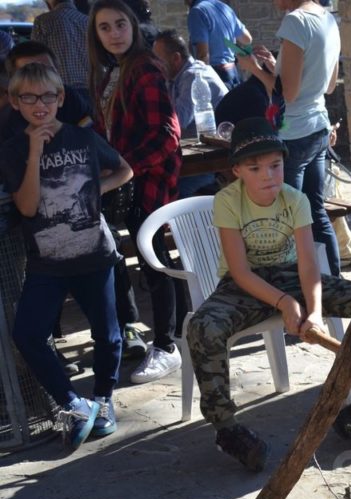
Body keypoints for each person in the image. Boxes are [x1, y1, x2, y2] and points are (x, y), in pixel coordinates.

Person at [187, 117, 351, 470]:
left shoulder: (295, 199)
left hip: (291, 277)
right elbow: (239, 271)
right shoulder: (227, 200)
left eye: (275, 165)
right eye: (255, 168)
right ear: (237, 170)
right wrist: (286, 304)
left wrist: (313, 310)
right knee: (203, 327)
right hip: (244, 284)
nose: (268, 175)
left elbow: (308, 265)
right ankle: (227, 429)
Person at [0, 62, 133, 450]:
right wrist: (36, 149)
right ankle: (72, 402)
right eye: (28, 97)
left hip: (95, 253)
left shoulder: (84, 138)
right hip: (47, 262)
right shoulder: (12, 149)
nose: (39, 104)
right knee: (27, 333)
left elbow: (124, 170)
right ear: (15, 102)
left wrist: (96, 191)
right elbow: (26, 207)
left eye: (46, 96)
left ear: (60, 98)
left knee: (107, 335)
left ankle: (104, 400)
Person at [87, 0, 183, 384]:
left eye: (120, 25)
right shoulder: (109, 70)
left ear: (133, 26)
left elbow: (167, 136)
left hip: (148, 184)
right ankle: (134, 330)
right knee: (116, 255)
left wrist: (124, 168)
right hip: (123, 184)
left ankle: (167, 345)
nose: (113, 34)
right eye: (104, 27)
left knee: (155, 262)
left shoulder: (144, 67)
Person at [238, 0, 343, 275]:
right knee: (316, 214)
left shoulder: (295, 21)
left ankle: (297, 295)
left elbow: (289, 95)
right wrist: (276, 67)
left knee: (290, 220)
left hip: (294, 135)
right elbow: (328, 85)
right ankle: (334, 285)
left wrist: (254, 69)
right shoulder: (328, 19)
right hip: (318, 127)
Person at [153, 29, 226, 196]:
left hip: (214, 161)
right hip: (197, 153)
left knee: (171, 191)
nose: (155, 65)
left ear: (176, 58)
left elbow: (177, 121)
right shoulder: (174, 79)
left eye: (158, 60)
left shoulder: (194, 76)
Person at [185, 0, 252, 90]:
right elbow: (247, 39)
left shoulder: (196, 12)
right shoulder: (224, 8)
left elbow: (203, 55)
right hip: (234, 73)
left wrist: (201, 83)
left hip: (217, 75)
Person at [30, 0, 90, 87]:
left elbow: (35, 57)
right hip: (87, 88)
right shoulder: (87, 21)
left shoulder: (42, 21)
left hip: (56, 86)